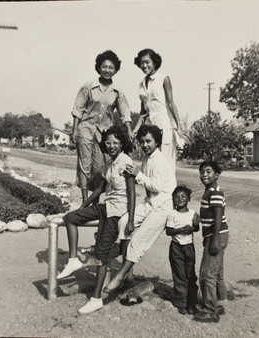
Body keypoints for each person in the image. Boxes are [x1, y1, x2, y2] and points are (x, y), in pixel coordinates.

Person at [57, 126, 136, 314]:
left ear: (122, 144)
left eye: (115, 143)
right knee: (70, 218)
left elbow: (132, 193)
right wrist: (83, 207)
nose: (111, 146)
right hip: (104, 207)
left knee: (101, 255)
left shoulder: (126, 162)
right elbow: (99, 190)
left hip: (116, 212)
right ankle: (74, 260)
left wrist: (131, 219)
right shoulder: (109, 163)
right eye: (108, 143)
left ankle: (96, 298)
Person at [103, 124, 176, 292]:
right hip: (151, 202)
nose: (145, 145)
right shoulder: (146, 158)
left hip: (163, 205)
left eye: (149, 141)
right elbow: (143, 181)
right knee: (123, 222)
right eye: (142, 142)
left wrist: (137, 175)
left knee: (139, 240)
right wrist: (130, 174)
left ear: (157, 142)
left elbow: (156, 186)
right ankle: (129, 275)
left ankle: (121, 275)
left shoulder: (159, 160)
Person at [70, 50, 133, 202]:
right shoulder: (89, 87)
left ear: (115, 70)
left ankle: (94, 200)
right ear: (99, 67)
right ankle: (85, 203)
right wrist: (74, 130)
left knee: (99, 168)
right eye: (104, 67)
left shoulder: (117, 92)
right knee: (85, 165)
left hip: (104, 134)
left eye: (111, 68)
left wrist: (129, 130)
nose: (107, 70)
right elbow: (78, 109)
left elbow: (125, 113)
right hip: (85, 129)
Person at [131, 48, 184, 172]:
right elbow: (143, 112)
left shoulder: (163, 78)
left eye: (147, 62)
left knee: (166, 165)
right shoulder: (141, 84)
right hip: (150, 129)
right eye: (142, 63)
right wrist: (135, 130)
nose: (144, 66)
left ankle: (169, 191)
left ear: (154, 62)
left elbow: (171, 103)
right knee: (151, 166)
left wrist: (179, 126)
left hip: (165, 127)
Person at [193, 161, 229, 323]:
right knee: (217, 271)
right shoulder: (209, 191)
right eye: (202, 172)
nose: (204, 175)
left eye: (208, 171)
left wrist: (213, 240)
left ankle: (210, 310)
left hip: (217, 235)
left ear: (217, 175)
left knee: (207, 274)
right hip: (215, 235)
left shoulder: (215, 192)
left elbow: (217, 217)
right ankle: (219, 303)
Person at [165, 185, 200, 315]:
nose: (180, 199)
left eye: (183, 196)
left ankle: (192, 303)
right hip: (176, 247)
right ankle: (181, 303)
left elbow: (196, 228)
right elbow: (168, 231)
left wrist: (193, 228)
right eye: (177, 197)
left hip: (189, 247)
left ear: (189, 199)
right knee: (179, 275)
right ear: (173, 199)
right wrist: (180, 230)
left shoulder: (192, 213)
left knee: (190, 275)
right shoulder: (172, 214)